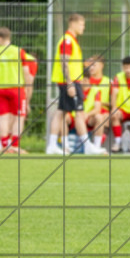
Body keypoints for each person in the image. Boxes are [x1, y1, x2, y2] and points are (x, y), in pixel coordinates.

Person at [49, 14, 105, 155]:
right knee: (79, 113)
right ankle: (88, 146)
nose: (83, 28)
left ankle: (51, 145)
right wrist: (69, 83)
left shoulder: (72, 40)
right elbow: (64, 62)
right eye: (81, 24)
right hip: (70, 82)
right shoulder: (67, 41)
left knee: (61, 112)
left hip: (71, 81)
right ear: (73, 24)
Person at [0, 27, 33, 154]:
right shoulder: (19, 52)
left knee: (3, 117)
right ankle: (15, 145)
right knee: (19, 117)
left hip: (0, 89)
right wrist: (27, 88)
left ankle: (4, 145)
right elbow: (26, 73)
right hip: (16, 88)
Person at [76, 56, 111, 149]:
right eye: (89, 65)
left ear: (101, 66)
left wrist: (102, 103)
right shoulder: (84, 79)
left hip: (101, 110)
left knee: (104, 117)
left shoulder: (109, 81)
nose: (91, 67)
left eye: (94, 65)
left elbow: (115, 103)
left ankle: (96, 145)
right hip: (85, 111)